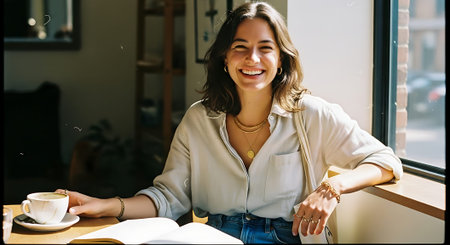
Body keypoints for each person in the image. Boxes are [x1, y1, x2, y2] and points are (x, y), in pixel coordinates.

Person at [57, 2, 403, 244]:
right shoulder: (198, 120)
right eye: (241, 47)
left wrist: (332, 189)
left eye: (265, 48)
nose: (252, 59)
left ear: (280, 60)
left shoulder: (311, 115)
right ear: (225, 58)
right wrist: (108, 205)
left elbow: (386, 161)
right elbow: (169, 197)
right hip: (211, 238)